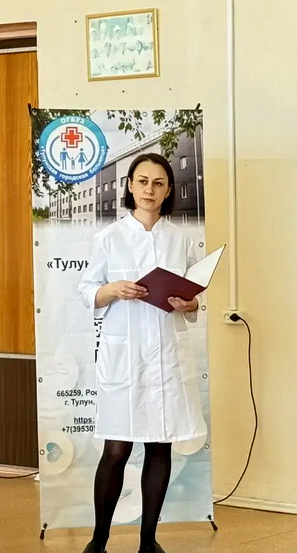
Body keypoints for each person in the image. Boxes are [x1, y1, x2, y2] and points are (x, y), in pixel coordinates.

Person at [77, 153, 206, 553]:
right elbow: (86, 291)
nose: (150, 190)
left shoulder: (180, 240)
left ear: (168, 191)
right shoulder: (109, 237)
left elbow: (193, 296)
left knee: (160, 445)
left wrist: (191, 304)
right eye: (143, 181)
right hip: (125, 356)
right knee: (116, 449)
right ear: (130, 186)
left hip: (166, 353)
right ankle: (98, 541)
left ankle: (148, 541)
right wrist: (113, 289)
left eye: (159, 183)